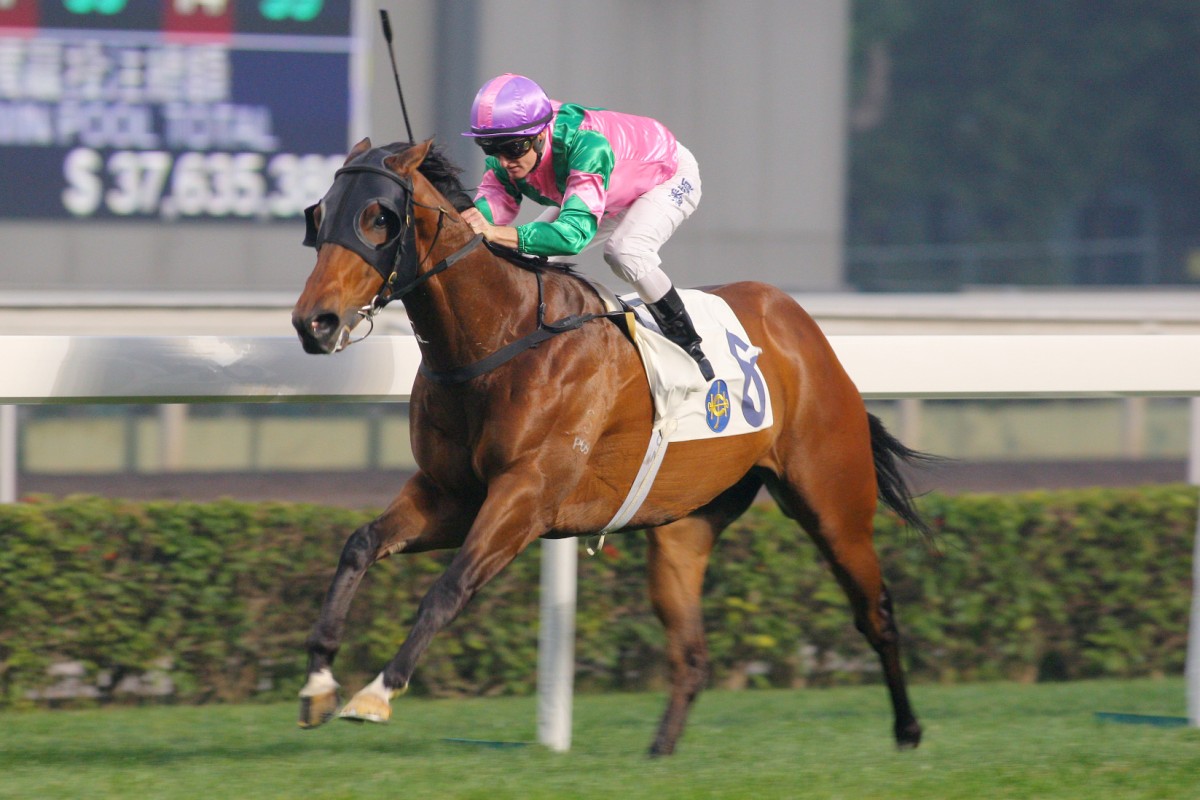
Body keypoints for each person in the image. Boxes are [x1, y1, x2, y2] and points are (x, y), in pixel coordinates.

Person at [460, 73, 714, 381]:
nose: (503, 161)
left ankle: (689, 346)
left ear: (541, 135)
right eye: (491, 149)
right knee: (531, 258)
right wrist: (468, 219)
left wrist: (495, 233)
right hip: (602, 185)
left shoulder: (586, 147)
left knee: (624, 252)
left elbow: (572, 236)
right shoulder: (513, 149)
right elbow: (492, 207)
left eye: (512, 149)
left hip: (667, 175)